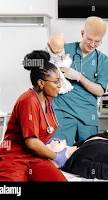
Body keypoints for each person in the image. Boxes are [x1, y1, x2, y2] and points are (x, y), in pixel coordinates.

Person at [0, 50, 68, 181]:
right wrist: (56, 156)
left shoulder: (48, 99)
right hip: (15, 158)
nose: (59, 86)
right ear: (41, 83)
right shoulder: (28, 100)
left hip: (36, 157)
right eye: (56, 82)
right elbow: (31, 142)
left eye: (59, 81)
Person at [52, 16, 108, 146]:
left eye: (97, 42)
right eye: (89, 39)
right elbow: (46, 72)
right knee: (59, 154)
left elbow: (100, 91)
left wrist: (79, 77)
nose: (92, 44)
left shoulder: (103, 60)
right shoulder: (65, 50)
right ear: (82, 33)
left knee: (88, 155)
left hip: (87, 116)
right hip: (63, 112)